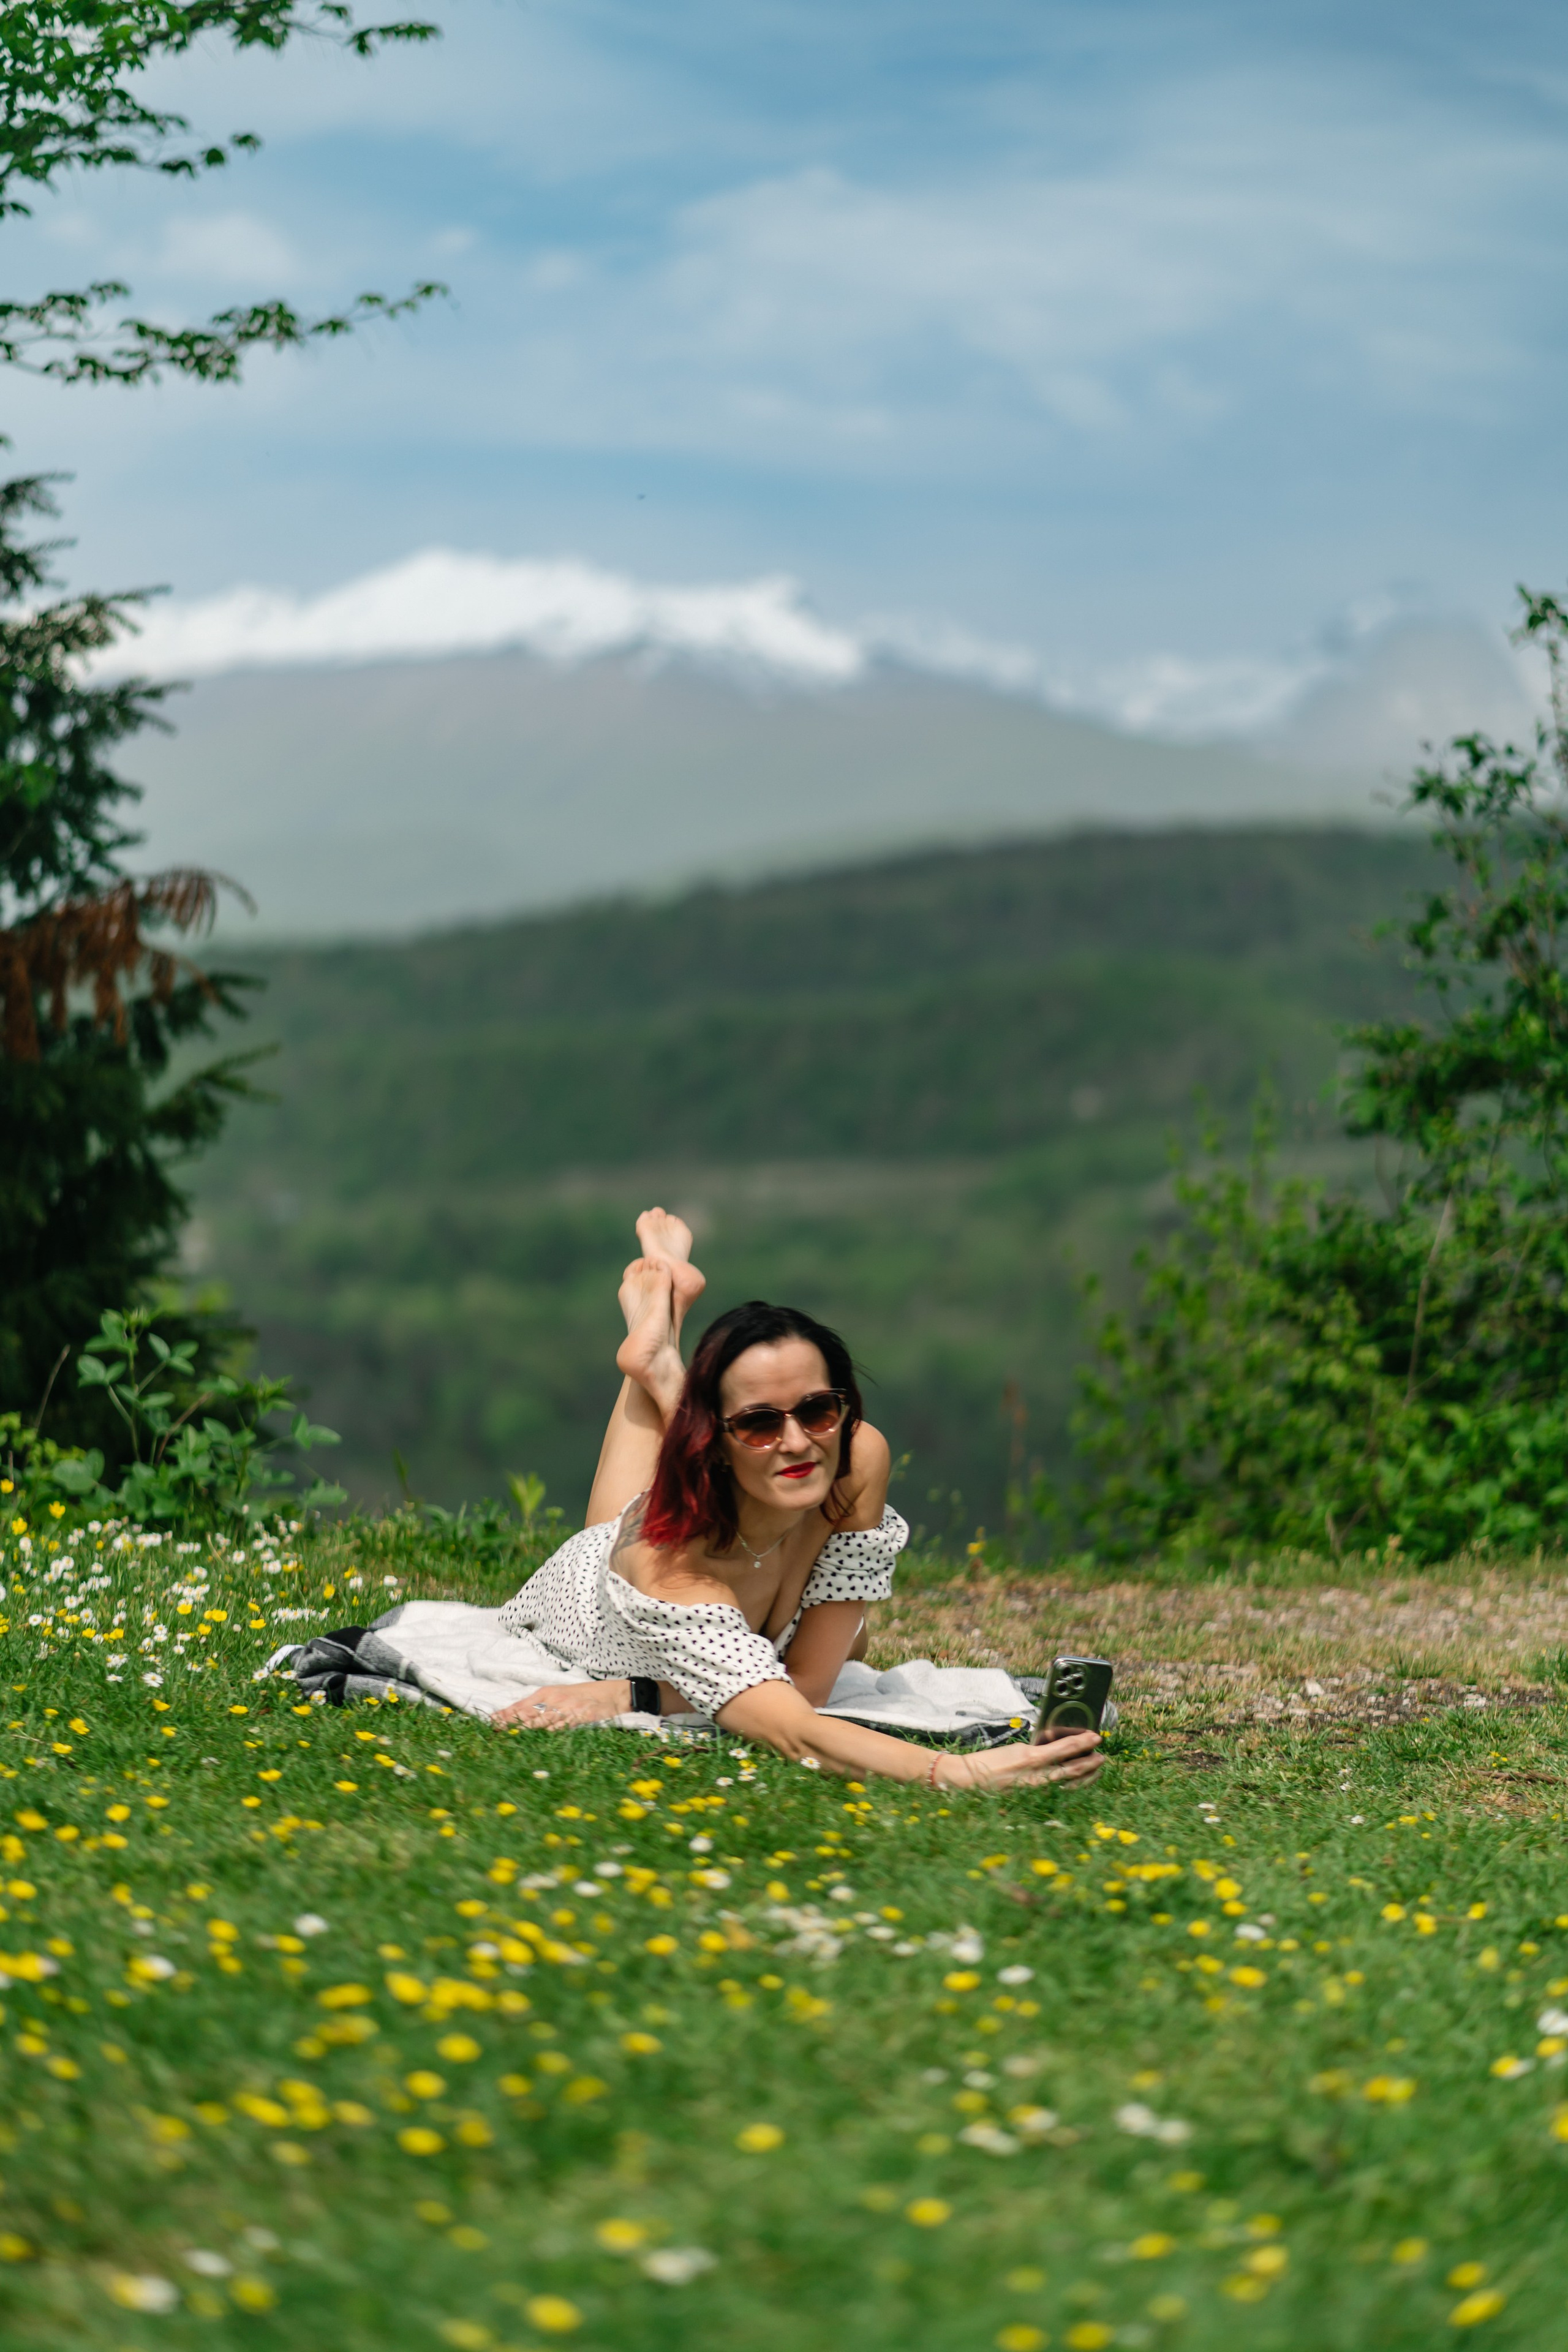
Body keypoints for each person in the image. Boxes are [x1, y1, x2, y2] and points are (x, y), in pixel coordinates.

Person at [491, 1210, 1104, 1796]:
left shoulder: (857, 1456)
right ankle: (654, 1358)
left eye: (816, 1409)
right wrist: (957, 1774)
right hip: (603, 1593)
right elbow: (793, 1724)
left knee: (847, 1642)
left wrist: (638, 1698)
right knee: (624, 1526)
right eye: (758, 1423)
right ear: (716, 1439)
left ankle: (659, 1355)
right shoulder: (669, 1571)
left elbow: (809, 1682)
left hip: (716, 1525)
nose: (797, 1443)